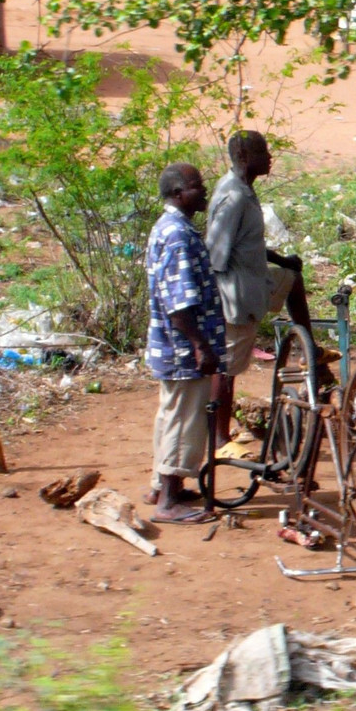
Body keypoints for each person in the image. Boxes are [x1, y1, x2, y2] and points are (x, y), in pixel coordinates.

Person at [205, 131, 315, 445]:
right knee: (227, 369)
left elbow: (246, 244)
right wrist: (217, 300)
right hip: (237, 295)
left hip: (255, 282)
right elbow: (215, 255)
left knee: (292, 279)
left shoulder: (245, 192)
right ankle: (219, 438)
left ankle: (309, 350)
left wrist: (282, 259)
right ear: (243, 156)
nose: (269, 157)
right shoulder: (234, 196)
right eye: (262, 151)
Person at [144, 163, 226, 524]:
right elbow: (180, 304)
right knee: (183, 420)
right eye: (196, 187)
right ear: (178, 193)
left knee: (171, 415)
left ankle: (165, 487)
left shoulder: (170, 229)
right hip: (181, 347)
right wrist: (200, 346)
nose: (204, 192)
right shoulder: (177, 235)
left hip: (171, 346)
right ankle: (167, 503)